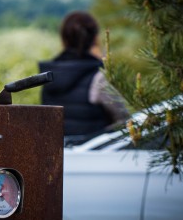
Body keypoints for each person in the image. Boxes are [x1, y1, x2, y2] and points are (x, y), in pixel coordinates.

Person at [38, 11, 130, 142]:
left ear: (63, 38)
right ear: (94, 38)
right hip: (92, 156)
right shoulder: (98, 77)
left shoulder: (48, 76)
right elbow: (124, 119)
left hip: (57, 155)